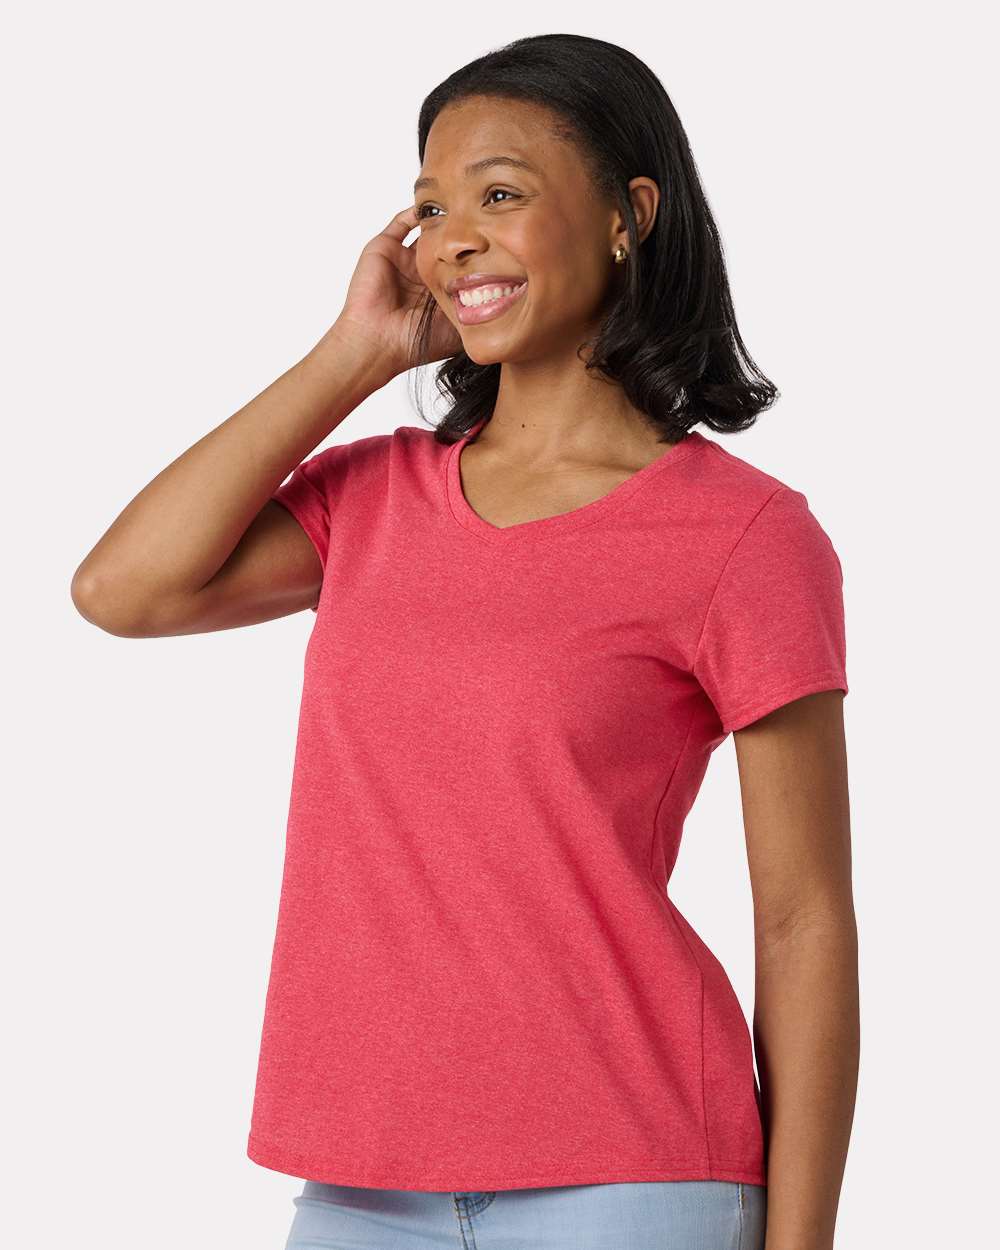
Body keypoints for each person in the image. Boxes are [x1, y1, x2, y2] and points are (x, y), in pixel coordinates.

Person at [71, 32, 858, 1250]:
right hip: (358, 1186)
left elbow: (803, 920)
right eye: (431, 207)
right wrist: (354, 354)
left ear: (629, 215)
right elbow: (123, 589)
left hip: (630, 1176)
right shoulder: (371, 498)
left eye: (500, 194)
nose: (454, 238)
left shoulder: (743, 535)